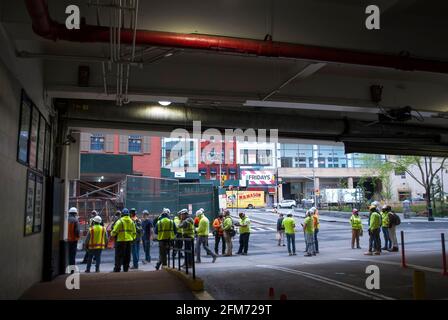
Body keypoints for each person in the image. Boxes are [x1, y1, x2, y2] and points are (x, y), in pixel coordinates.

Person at [111, 208, 136, 272]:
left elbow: (114, 232)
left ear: (122, 214)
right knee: (127, 256)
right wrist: (132, 238)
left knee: (119, 256)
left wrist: (112, 234)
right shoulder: (131, 221)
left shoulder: (120, 221)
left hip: (120, 241)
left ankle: (117, 268)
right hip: (129, 241)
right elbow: (134, 232)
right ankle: (126, 269)